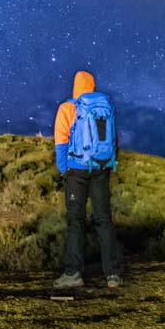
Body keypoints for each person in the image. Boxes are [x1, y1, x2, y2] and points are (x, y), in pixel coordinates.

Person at [53, 69, 121, 289]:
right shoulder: (105, 107)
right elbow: (113, 140)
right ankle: (112, 274)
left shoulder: (67, 108)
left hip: (77, 171)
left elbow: (61, 140)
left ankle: (73, 274)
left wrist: (64, 168)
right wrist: (109, 164)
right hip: (101, 168)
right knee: (104, 219)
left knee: (76, 221)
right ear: (92, 86)